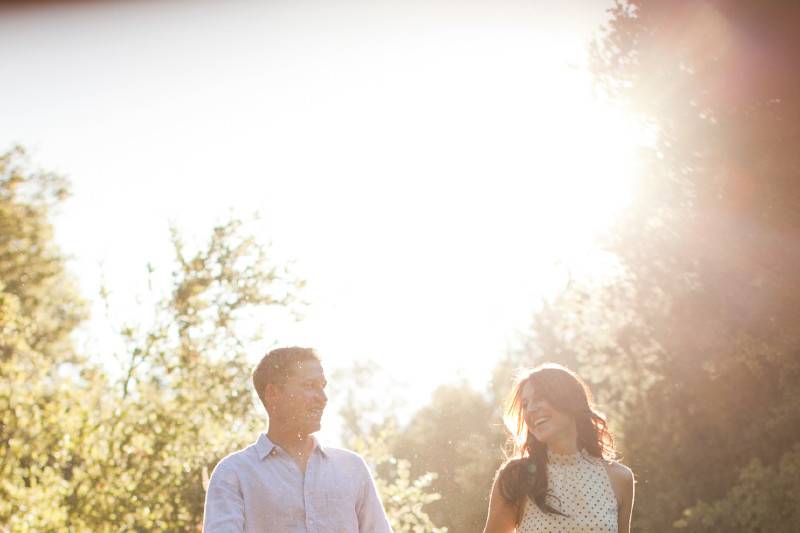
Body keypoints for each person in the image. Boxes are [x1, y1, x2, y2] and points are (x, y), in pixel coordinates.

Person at [203, 346, 393, 532]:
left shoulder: (353, 467)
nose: (323, 397)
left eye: (322, 386)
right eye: (310, 386)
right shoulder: (233, 473)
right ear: (273, 394)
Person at [483, 363, 634, 533]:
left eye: (540, 398)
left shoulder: (620, 478)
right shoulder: (516, 476)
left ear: (568, 400)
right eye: (525, 404)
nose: (531, 409)